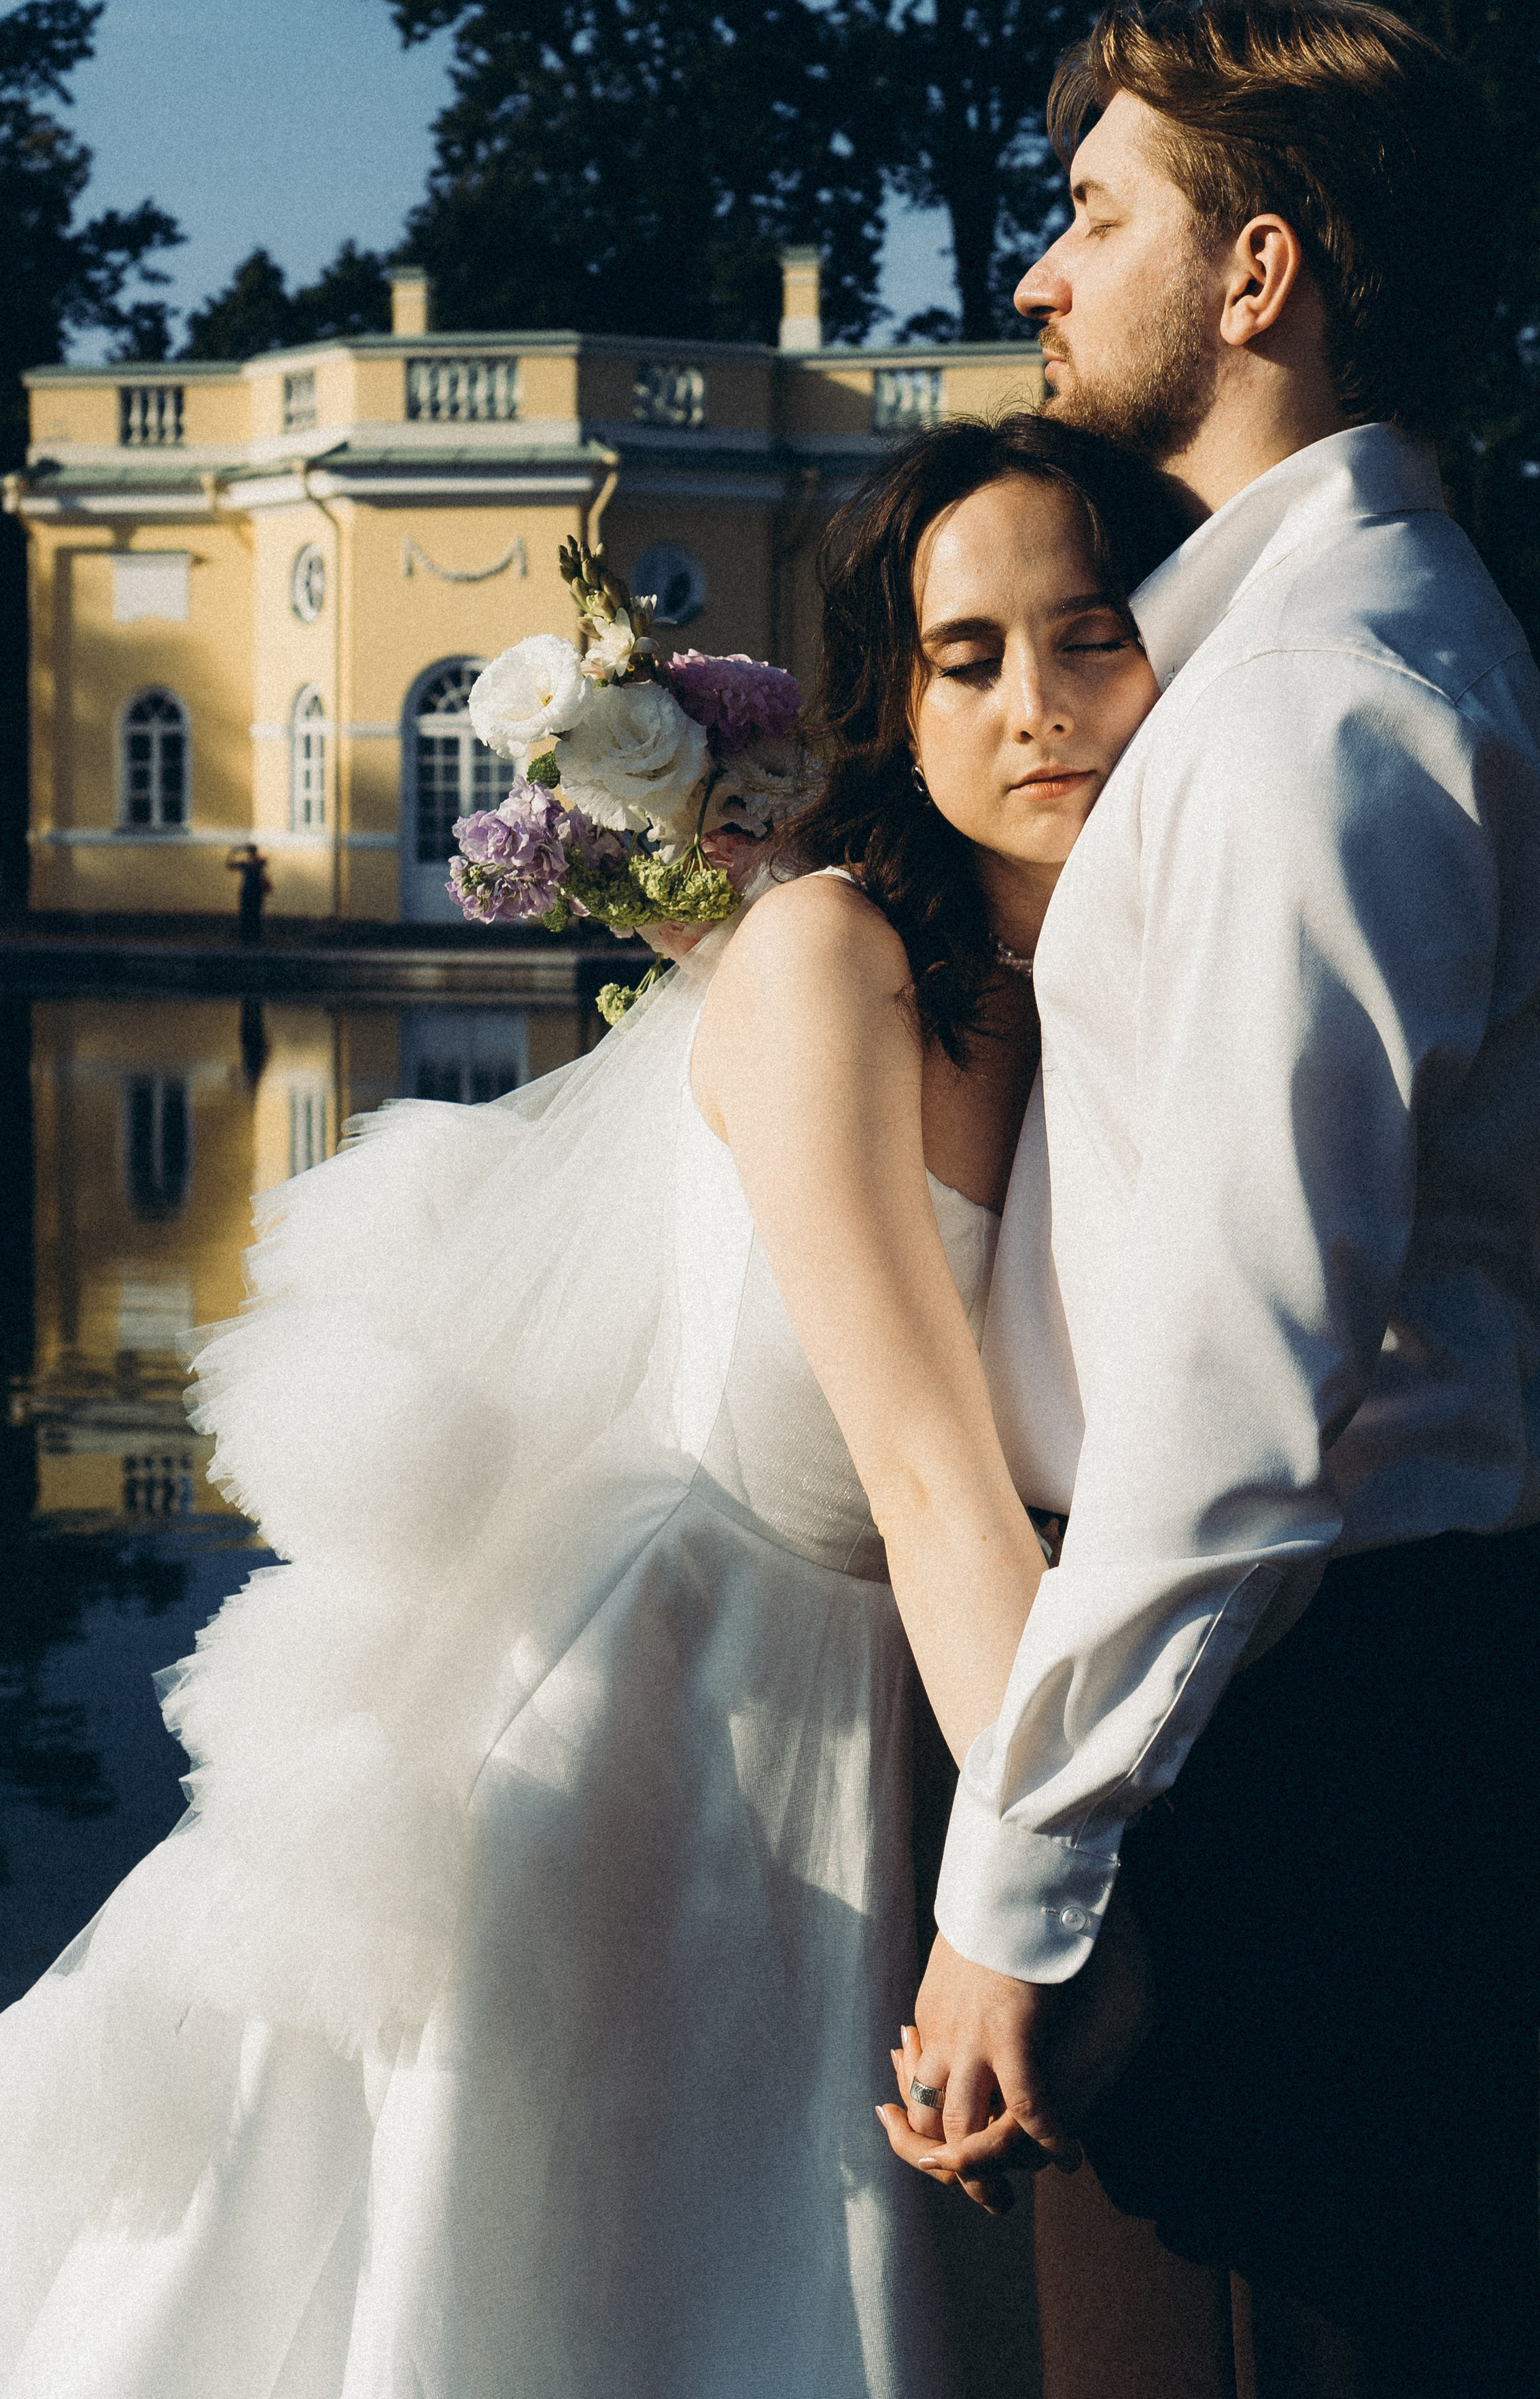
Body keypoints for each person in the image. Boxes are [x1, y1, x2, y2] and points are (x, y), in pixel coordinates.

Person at [0, 415, 1183, 2399]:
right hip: (675, 1725)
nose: (1041, 708)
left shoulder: (1092, 985)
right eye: (969, 658)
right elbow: (925, 1475)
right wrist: (1068, 1892)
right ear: (897, 710)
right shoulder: (830, 959)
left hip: (889, 1691)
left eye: (1091, 636)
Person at [879, 0, 1540, 2399]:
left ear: (1258, 271)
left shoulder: (1315, 708)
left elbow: (1233, 1383)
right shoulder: (1315, 650)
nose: (1036, 273)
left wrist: (1020, 1884)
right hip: (1347, 1680)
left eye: (1094, 215)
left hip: (1308, 1731)